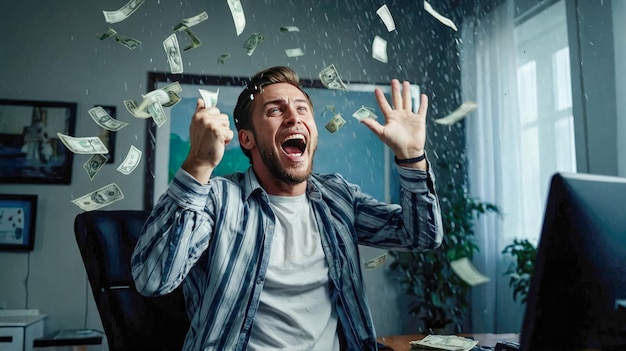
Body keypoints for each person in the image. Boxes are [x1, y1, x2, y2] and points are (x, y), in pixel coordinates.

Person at [131, 66, 443, 351]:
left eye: (302, 109)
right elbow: (153, 279)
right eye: (275, 110)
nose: (294, 118)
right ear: (247, 139)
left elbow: (421, 237)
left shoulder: (338, 197)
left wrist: (412, 158)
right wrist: (198, 163)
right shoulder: (217, 199)